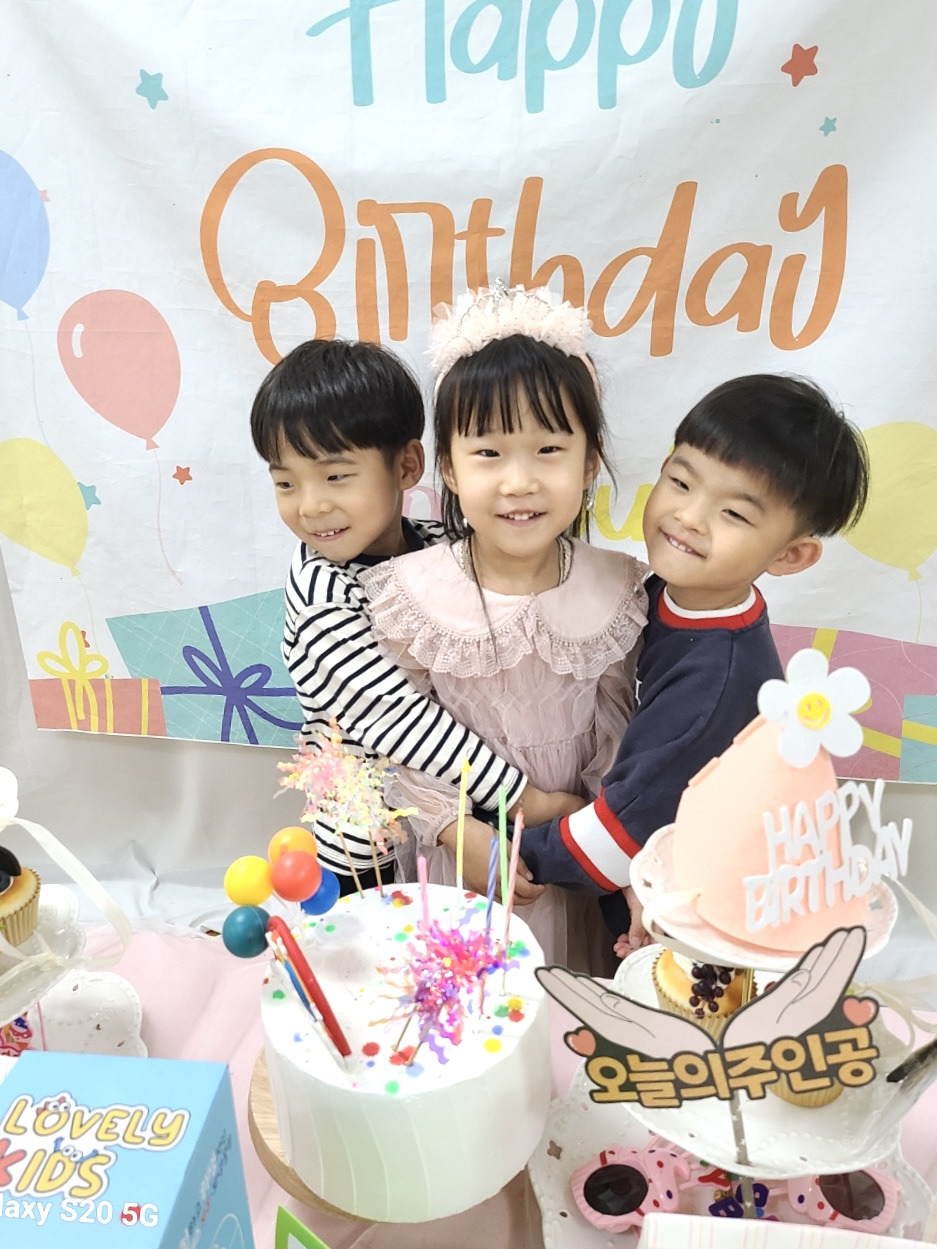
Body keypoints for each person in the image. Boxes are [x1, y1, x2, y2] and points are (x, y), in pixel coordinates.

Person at [516, 373, 871, 953]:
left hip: (693, 917)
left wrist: (511, 855)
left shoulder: (716, 683)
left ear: (790, 555)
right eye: (681, 482)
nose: (689, 516)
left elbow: (618, 838)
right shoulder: (668, 593)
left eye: (734, 514)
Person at [361, 285, 649, 971]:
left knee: (565, 999)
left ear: (588, 461)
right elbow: (390, 743)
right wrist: (454, 830)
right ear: (449, 468)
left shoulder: (618, 589)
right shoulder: (411, 594)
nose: (519, 481)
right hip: (461, 863)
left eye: (548, 448)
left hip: (575, 861)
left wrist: (607, 843)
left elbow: (619, 737)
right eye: (488, 453)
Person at [250, 337, 581, 895]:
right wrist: (523, 797)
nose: (310, 505)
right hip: (371, 848)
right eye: (286, 483)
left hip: (461, 814)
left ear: (407, 465)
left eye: (335, 477)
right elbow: (400, 719)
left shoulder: (438, 548)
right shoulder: (323, 597)